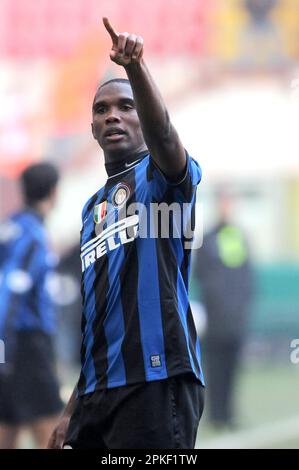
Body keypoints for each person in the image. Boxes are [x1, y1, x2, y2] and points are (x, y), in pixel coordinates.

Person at [48, 17, 204, 450]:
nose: (112, 115)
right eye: (101, 109)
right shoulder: (90, 210)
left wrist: (135, 67)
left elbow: (166, 137)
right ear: (92, 127)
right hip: (97, 394)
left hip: (156, 382)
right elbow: (100, 320)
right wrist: (71, 410)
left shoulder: (162, 178)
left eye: (126, 106)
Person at [0, 162, 63, 448]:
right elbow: (11, 291)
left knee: (9, 423)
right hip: (25, 344)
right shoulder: (32, 236)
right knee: (51, 427)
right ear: (53, 192)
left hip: (11, 344)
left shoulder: (10, 227)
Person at [193, 190, 253, 429]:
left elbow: (246, 275)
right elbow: (202, 275)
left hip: (235, 317)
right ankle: (216, 414)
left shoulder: (239, 236)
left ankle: (228, 413)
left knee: (232, 367)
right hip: (217, 316)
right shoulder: (208, 238)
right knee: (215, 366)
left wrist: (241, 304)